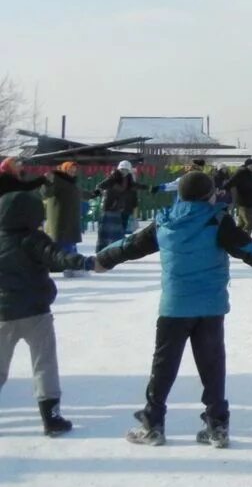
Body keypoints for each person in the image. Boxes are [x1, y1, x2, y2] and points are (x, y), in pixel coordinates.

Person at [94, 172, 252, 446]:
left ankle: (153, 424)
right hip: (210, 308)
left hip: (174, 307)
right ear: (208, 195)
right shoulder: (217, 220)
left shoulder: (164, 223)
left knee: (163, 366)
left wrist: (101, 259)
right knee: (212, 366)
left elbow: (130, 246)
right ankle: (217, 426)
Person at [0, 191, 89, 436]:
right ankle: (51, 418)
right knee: (44, 365)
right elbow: (57, 257)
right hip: (36, 314)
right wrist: (80, 261)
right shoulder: (34, 239)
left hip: (3, 315)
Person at [95, 160, 146, 250]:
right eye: (122, 170)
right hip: (111, 208)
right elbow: (100, 186)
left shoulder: (129, 179)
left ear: (129, 171)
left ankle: (118, 249)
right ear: (119, 169)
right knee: (109, 230)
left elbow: (136, 188)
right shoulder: (113, 178)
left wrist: (148, 188)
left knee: (121, 230)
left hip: (125, 208)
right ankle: (106, 248)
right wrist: (100, 193)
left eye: (126, 170)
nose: (124, 172)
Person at [41, 162, 84, 257]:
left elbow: (80, 193)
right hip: (60, 218)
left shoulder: (71, 181)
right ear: (64, 169)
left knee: (70, 242)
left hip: (70, 218)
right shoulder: (58, 179)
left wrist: (95, 193)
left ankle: (72, 264)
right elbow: (47, 193)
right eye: (70, 170)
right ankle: (66, 264)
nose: (73, 172)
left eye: (74, 170)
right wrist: (47, 182)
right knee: (63, 243)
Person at [225, 159, 252, 234]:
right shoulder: (242, 173)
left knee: (242, 224)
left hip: (251, 202)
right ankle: (243, 239)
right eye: (251, 165)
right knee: (250, 223)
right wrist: (224, 188)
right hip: (244, 202)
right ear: (247, 165)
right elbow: (232, 181)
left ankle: (236, 239)